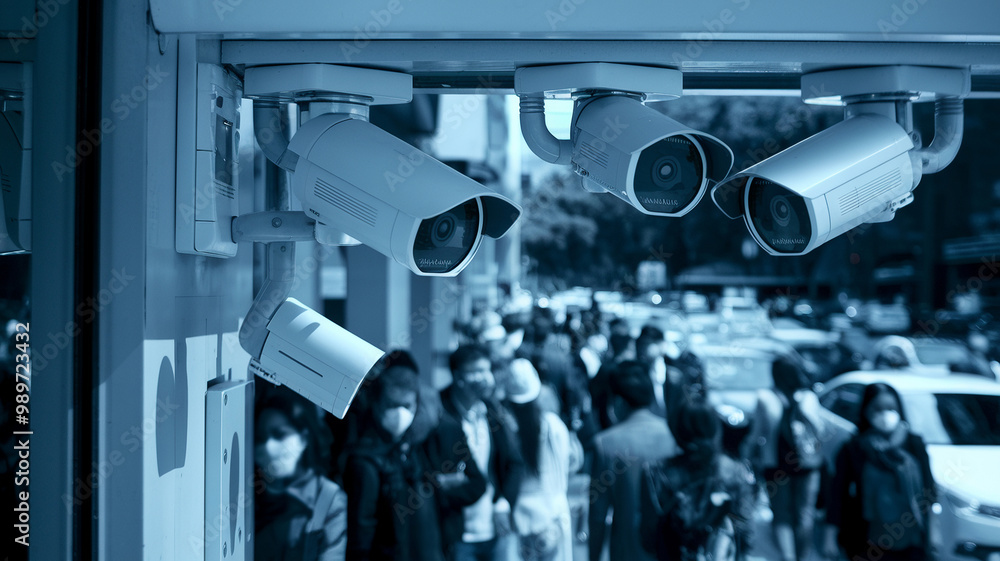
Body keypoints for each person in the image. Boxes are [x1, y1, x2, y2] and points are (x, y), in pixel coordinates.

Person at [342, 360, 444, 561]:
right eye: (392, 405)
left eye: (406, 406)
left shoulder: (414, 448)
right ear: (377, 403)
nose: (400, 414)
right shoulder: (365, 461)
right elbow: (361, 531)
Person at [823, 383, 936, 561]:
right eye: (878, 408)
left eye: (890, 408)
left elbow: (929, 492)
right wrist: (830, 536)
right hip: (868, 540)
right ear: (866, 411)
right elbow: (838, 495)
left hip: (912, 539)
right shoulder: (854, 449)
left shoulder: (914, 445)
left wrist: (933, 534)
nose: (885, 415)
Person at [434, 345, 525, 561]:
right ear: (458, 377)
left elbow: (514, 462)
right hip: (457, 532)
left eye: (487, 370)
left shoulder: (492, 412)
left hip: (495, 527)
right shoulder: (439, 414)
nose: (485, 378)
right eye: (477, 371)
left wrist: (504, 502)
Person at [640, 399, 756, 561]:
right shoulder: (736, 471)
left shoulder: (656, 472)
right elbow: (744, 530)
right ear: (715, 428)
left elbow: (648, 536)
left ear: (676, 429)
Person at [589, 360, 679, 561]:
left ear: (618, 402)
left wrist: (593, 556)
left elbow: (597, 515)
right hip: (668, 552)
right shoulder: (674, 437)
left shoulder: (604, 444)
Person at [255, 387, 348, 561]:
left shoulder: (327, 498)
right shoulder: (247, 493)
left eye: (279, 435)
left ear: (303, 439)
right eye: (260, 438)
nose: (268, 446)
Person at [505, 358, 584, 561]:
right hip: (552, 512)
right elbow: (572, 463)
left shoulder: (506, 430)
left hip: (519, 516)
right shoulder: (553, 426)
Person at [757, 355, 826, 561]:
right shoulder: (808, 397)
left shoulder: (767, 398)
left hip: (779, 465)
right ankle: (798, 556)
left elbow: (757, 433)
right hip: (803, 465)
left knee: (785, 513)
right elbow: (821, 432)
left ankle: (791, 556)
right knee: (801, 514)